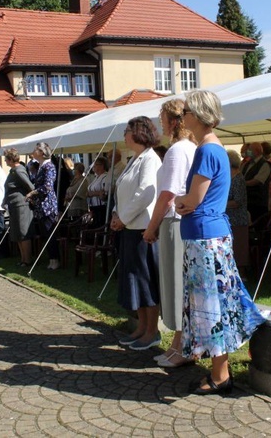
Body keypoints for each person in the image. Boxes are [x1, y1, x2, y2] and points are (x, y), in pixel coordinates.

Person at [174, 90, 267, 395]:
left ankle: (220, 375)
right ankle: (220, 370)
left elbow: (192, 200)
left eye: (185, 111)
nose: (182, 116)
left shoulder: (206, 151)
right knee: (214, 304)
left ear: (198, 115)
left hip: (205, 237)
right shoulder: (215, 149)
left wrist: (179, 201)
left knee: (209, 306)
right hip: (210, 234)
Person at [142, 99, 197, 367]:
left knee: (176, 285)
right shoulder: (189, 148)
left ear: (174, 121)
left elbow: (167, 194)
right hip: (179, 221)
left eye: (162, 118)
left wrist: (152, 226)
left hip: (174, 221)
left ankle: (182, 347)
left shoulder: (177, 151)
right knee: (179, 285)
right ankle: (178, 344)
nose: (160, 123)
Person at [111, 116, 163, 351]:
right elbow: (123, 191)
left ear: (138, 133)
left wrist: (123, 218)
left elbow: (145, 193)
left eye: (127, 130)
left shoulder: (150, 159)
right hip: (129, 228)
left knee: (145, 281)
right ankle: (141, 327)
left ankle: (152, 331)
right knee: (134, 281)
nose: (124, 134)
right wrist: (115, 213)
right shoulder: (134, 159)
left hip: (142, 229)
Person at [26, 142, 60, 270]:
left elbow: (47, 187)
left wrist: (32, 193)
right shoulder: (40, 166)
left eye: (36, 150)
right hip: (41, 206)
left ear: (42, 152)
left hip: (48, 206)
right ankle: (51, 259)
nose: (34, 152)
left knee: (50, 233)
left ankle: (55, 259)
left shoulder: (49, 166)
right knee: (45, 234)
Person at [4, 148, 34, 265]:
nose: (5, 161)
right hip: (14, 205)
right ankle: (23, 259)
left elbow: (29, 186)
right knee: (17, 233)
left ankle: (27, 260)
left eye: (6, 159)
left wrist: (29, 197)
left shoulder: (19, 170)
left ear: (11, 159)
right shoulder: (13, 170)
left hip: (21, 205)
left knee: (23, 232)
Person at [225, 150, 249, 273]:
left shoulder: (238, 179)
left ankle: (242, 273)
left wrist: (221, 204)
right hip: (230, 219)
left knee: (239, 247)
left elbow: (237, 201)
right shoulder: (229, 178)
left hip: (237, 219)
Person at [242, 141, 271, 223]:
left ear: (257, 151)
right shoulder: (246, 164)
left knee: (258, 227)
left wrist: (242, 184)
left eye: (250, 150)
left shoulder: (265, 164)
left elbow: (257, 181)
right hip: (247, 201)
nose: (248, 152)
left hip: (258, 203)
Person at [86, 156, 110, 228]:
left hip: (101, 207)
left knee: (99, 225)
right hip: (93, 207)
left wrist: (92, 193)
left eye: (95, 164)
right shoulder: (96, 177)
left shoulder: (105, 177)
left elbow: (104, 191)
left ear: (102, 166)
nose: (93, 166)